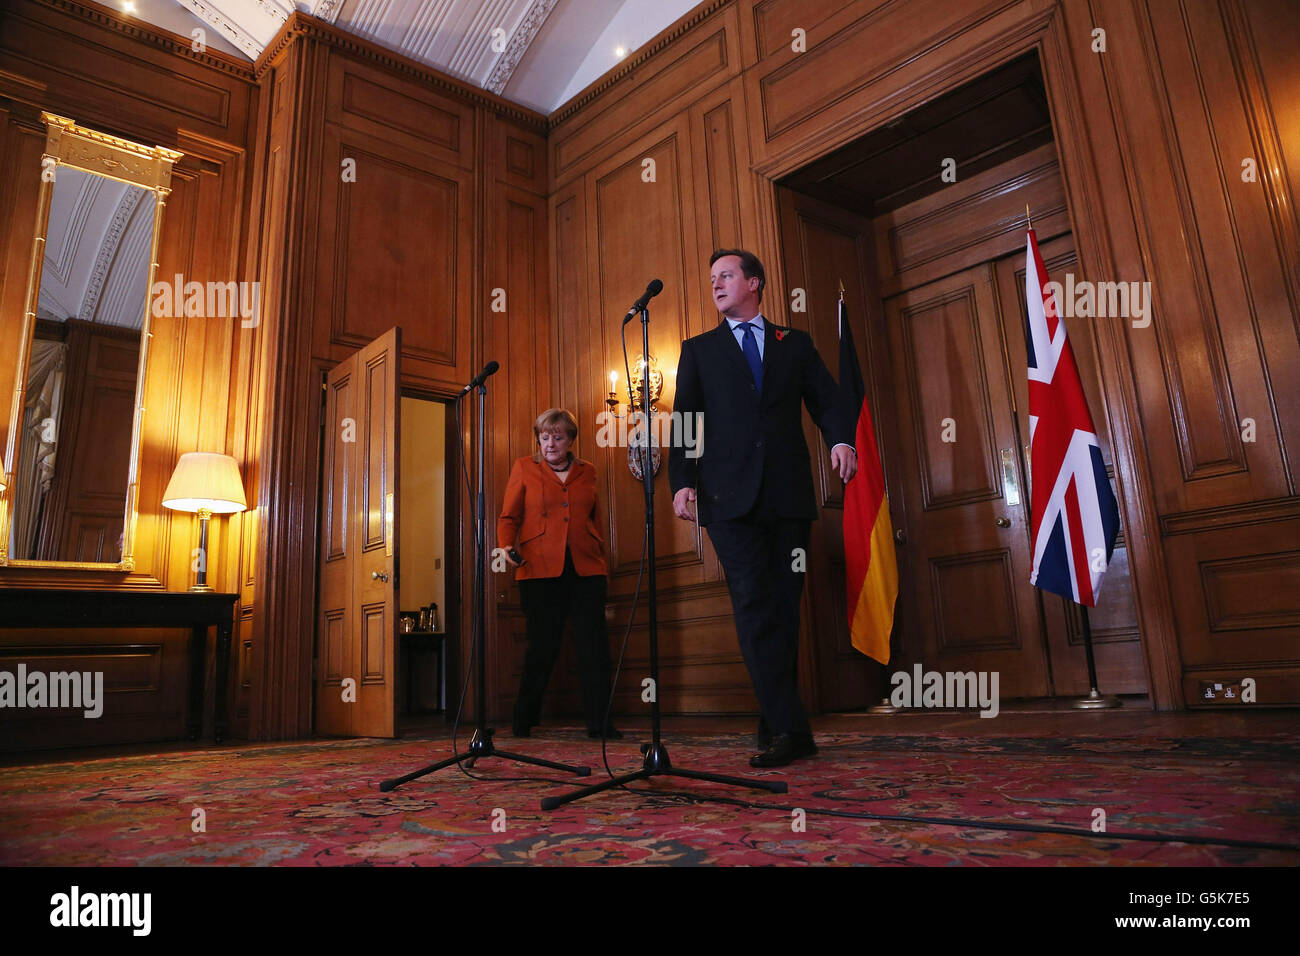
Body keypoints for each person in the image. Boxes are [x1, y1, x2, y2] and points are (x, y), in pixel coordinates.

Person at [670, 249, 857, 767]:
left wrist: (843, 441)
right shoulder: (698, 350)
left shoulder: (793, 343)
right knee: (753, 606)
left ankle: (772, 715)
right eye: (711, 278)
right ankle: (792, 731)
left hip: (788, 498)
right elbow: (685, 418)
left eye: (726, 275)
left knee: (781, 609)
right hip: (727, 502)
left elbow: (827, 400)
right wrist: (682, 482)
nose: (716, 284)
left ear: (754, 283)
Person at [498, 408, 621, 740]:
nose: (550, 443)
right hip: (538, 569)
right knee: (542, 646)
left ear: (570, 441)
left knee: (593, 647)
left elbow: (594, 517)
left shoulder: (589, 471)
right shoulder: (524, 467)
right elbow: (508, 516)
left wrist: (601, 560)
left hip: (586, 568)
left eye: (558, 437)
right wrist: (507, 547)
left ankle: (600, 722)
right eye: (544, 436)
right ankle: (524, 720)